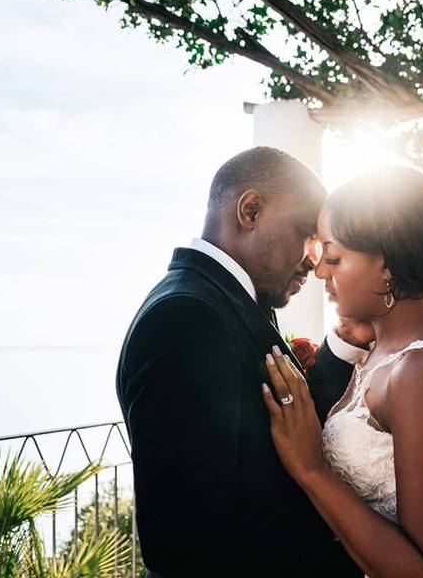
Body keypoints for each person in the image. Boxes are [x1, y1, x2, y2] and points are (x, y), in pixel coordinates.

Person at [115, 147, 363, 576]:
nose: (314, 260)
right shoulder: (186, 318)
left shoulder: (229, 302)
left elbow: (278, 427)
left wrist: (342, 346)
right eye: (306, 235)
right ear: (250, 210)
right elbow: (181, 543)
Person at [261, 166, 423, 577]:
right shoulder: (386, 345)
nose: (319, 273)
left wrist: (311, 468)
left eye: (333, 257)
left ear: (386, 264)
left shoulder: (422, 373)